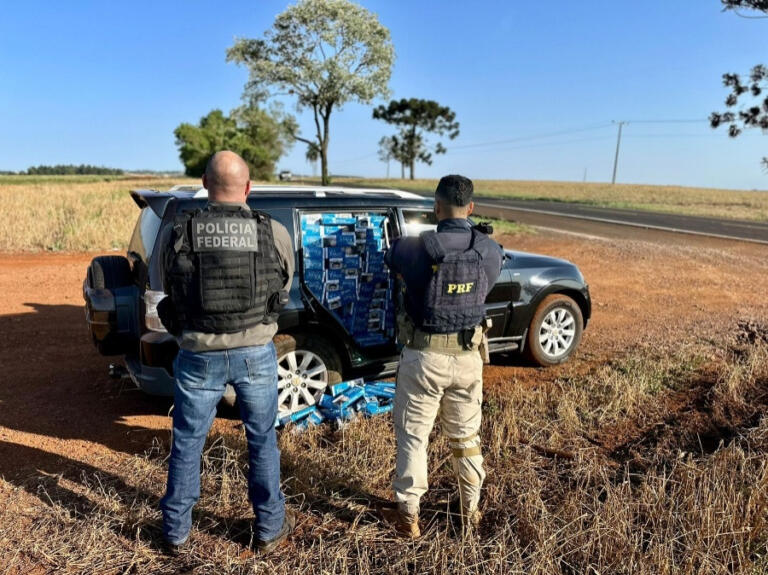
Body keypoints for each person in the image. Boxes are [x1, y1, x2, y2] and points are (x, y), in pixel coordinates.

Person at [157, 151, 295, 554]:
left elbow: (166, 287)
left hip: (198, 354)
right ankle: (269, 529)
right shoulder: (273, 231)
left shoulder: (180, 231)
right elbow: (283, 287)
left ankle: (176, 533)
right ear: (248, 188)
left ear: (204, 182)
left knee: (187, 441)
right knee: (262, 440)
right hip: (256, 351)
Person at [381, 174, 503, 538]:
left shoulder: (417, 247)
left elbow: (391, 257)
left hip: (424, 358)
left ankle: (408, 517)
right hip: (468, 359)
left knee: (414, 437)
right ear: (471, 208)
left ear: (436, 207)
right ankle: (471, 510)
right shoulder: (489, 250)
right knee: (466, 439)